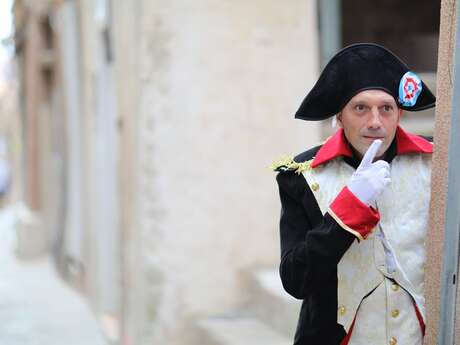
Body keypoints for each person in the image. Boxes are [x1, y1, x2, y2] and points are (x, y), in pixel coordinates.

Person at [273, 43, 436, 345]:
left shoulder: (439, 162)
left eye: (385, 108)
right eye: (361, 108)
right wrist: (349, 207)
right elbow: (296, 280)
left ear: (399, 113)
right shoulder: (301, 176)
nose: (375, 121)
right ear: (340, 116)